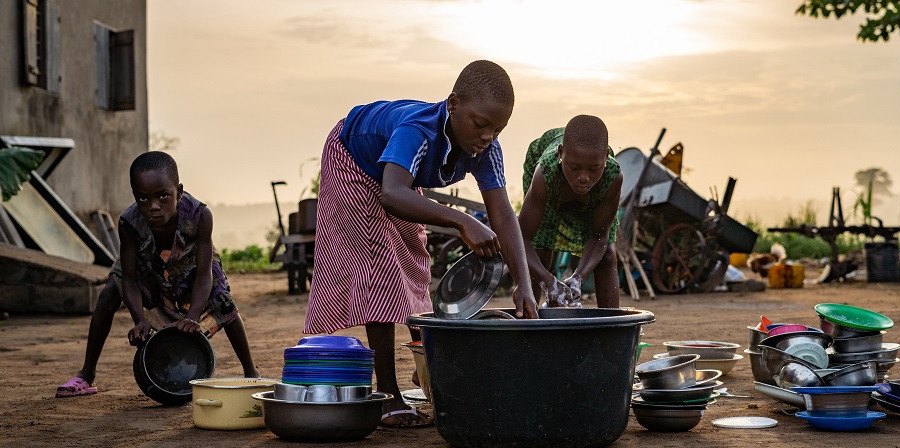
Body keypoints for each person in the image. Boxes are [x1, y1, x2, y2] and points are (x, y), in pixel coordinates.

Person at [303, 60, 538, 428]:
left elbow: (504, 215)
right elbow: (393, 194)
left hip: (393, 178)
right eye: (480, 124)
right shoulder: (418, 130)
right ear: (453, 103)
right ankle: (387, 396)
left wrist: (524, 284)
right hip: (352, 159)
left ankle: (425, 366)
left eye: (498, 128)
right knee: (378, 268)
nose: (488, 136)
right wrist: (462, 221)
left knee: (413, 258)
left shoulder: (486, 150)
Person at [55, 151, 259, 398]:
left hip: (193, 267)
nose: (153, 206)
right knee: (110, 291)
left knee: (224, 303)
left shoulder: (200, 216)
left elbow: (205, 274)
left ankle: (252, 374)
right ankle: (86, 375)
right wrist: (139, 319)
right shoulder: (129, 224)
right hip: (148, 266)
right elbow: (128, 278)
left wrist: (193, 315)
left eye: (164, 196)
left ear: (179, 191)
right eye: (143, 198)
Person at [518, 115, 623, 309]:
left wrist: (578, 278)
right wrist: (549, 282)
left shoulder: (612, 176)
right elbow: (522, 239)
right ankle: (527, 323)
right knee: (539, 247)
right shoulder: (545, 173)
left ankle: (612, 327)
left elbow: (599, 237)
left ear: (606, 157)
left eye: (594, 169)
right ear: (561, 154)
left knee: (607, 254)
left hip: (594, 197)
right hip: (551, 180)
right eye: (574, 168)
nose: (583, 177)